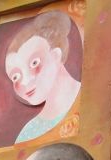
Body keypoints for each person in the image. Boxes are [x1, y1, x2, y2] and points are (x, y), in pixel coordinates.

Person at [5, 11, 82, 143]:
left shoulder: (92, 97)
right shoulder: (28, 135)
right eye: (16, 77)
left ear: (56, 55)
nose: (26, 81)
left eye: (34, 63)